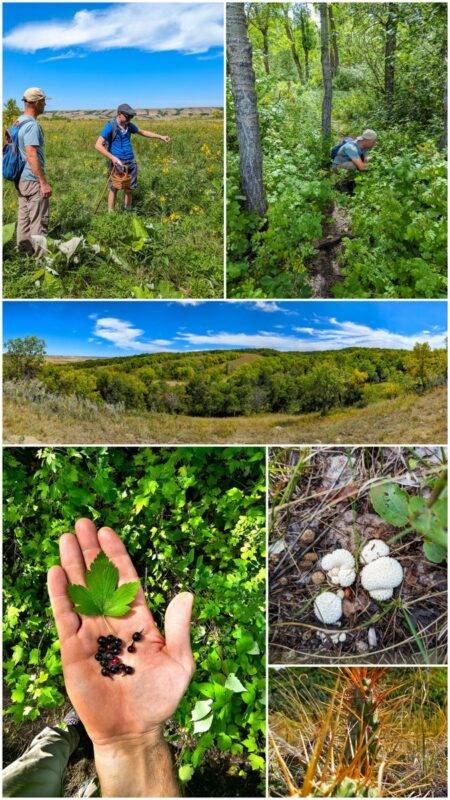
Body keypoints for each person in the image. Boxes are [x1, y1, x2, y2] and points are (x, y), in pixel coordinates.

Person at [3, 519, 194, 798]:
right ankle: (65, 741)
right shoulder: (114, 652)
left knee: (36, 766)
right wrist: (135, 742)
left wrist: (130, 742)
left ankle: (62, 737)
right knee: (38, 766)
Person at [95, 103, 172, 212]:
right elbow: (98, 145)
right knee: (114, 189)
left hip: (130, 162)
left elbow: (142, 132)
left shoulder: (129, 126)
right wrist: (112, 158)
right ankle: (110, 214)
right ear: (119, 114)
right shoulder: (110, 126)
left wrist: (161, 137)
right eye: (128, 116)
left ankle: (128, 212)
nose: (130, 119)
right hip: (116, 163)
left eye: (131, 116)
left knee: (129, 189)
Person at [15, 87, 52, 256]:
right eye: (43, 101)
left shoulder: (18, 122)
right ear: (36, 103)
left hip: (20, 178)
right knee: (38, 220)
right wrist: (43, 182)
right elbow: (31, 154)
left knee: (24, 218)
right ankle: (40, 260)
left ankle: (23, 254)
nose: (45, 104)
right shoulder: (32, 126)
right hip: (32, 179)